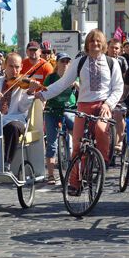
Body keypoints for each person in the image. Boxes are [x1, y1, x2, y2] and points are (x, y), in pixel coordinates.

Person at [35, 29, 123, 195]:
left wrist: (108, 104)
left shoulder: (112, 63)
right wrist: (43, 93)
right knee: (77, 146)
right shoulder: (79, 62)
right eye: (91, 41)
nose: (95, 44)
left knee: (100, 128)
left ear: (103, 44)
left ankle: (101, 163)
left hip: (103, 105)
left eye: (98, 41)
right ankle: (74, 183)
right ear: (87, 45)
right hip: (83, 105)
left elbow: (118, 88)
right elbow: (63, 83)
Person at [43, 52, 77, 184]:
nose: (65, 64)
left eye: (68, 62)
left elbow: (82, 89)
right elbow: (45, 92)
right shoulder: (51, 78)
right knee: (51, 143)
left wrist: (77, 84)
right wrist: (43, 106)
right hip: (52, 111)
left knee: (77, 138)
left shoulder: (73, 77)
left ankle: (76, 170)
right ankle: (51, 175)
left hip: (69, 110)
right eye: (62, 61)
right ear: (57, 63)